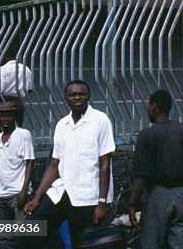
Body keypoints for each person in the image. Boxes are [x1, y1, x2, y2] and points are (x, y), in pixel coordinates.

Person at [21, 80, 115, 249]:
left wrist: (101, 203)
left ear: (88, 97)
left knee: (81, 242)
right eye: (73, 94)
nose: (77, 97)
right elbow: (54, 166)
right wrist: (37, 198)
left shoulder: (100, 120)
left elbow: (104, 164)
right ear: (66, 98)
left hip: (87, 196)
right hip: (61, 191)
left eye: (81, 94)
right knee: (30, 232)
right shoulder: (62, 125)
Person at [127, 89, 183, 249]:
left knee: (152, 243)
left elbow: (142, 176)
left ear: (154, 106)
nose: (147, 109)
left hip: (157, 196)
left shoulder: (146, 135)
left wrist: (132, 204)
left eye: (148, 106)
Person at [0, 101, 35, 249]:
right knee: (5, 239)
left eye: (8, 115)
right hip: (2, 196)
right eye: (2, 116)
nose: (5, 119)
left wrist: (24, 190)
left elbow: (30, 163)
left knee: (24, 236)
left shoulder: (23, 135)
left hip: (19, 194)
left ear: (15, 117)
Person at [0, 50, 32, 127]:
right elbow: (29, 89)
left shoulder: (3, 69)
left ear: (6, 57)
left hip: (3, 102)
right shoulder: (26, 69)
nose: (0, 60)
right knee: (17, 129)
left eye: (1, 58)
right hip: (19, 102)